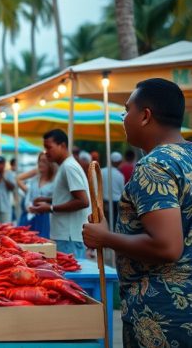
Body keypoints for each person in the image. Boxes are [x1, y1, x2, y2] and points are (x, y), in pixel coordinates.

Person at [83, 78, 192, 347]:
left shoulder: (153, 166)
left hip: (161, 316)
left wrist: (104, 238)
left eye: (127, 109)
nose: (124, 117)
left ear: (145, 116)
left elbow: (167, 246)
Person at [30, 129, 90, 258]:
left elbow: (83, 201)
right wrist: (47, 200)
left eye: (49, 148)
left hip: (69, 237)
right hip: (65, 236)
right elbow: (69, 197)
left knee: (72, 277)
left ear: (62, 145)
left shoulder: (69, 167)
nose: (46, 152)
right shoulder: (65, 166)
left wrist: (50, 208)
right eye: (44, 148)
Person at [18, 152, 57, 238]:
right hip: (30, 217)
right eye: (39, 161)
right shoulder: (34, 180)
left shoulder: (54, 183)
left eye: (44, 161)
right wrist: (28, 207)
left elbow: (57, 200)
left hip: (46, 220)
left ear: (50, 163)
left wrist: (47, 205)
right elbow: (28, 197)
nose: (40, 164)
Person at [101, 151, 125, 225]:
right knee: (115, 224)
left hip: (104, 202)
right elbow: (122, 191)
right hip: (116, 202)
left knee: (105, 223)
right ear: (119, 162)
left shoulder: (101, 171)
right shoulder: (120, 175)